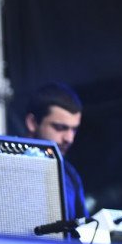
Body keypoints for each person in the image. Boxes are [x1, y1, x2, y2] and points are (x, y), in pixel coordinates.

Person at [25, 81, 87, 221]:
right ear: (32, 123)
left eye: (74, 129)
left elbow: (84, 227)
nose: (69, 138)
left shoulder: (69, 174)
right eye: (60, 128)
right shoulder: (2, 164)